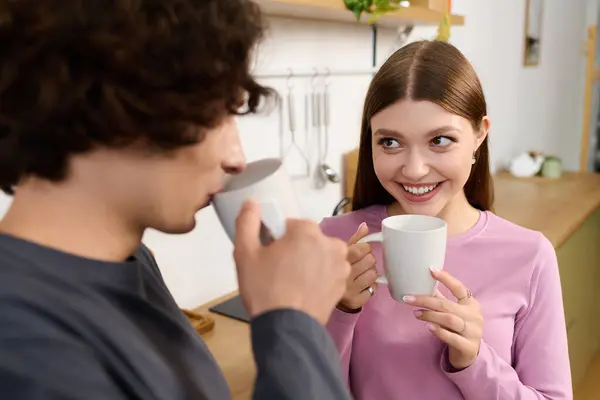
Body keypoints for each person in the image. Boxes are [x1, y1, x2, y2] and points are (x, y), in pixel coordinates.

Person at [0, 1, 353, 399]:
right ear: (121, 103)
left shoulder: (129, 262)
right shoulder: (20, 343)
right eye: (218, 112)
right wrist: (294, 323)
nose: (236, 158)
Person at [321, 40, 572, 399]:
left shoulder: (531, 256)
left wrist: (475, 361)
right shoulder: (335, 242)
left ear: (479, 135)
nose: (414, 169)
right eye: (390, 142)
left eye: (439, 140)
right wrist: (341, 310)